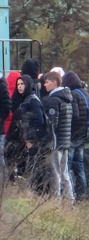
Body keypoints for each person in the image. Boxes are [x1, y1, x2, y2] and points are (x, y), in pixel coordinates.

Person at [42, 71, 74, 201]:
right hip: (65, 141)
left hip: (56, 142)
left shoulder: (54, 100)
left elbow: (52, 123)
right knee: (64, 173)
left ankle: (56, 200)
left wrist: (47, 140)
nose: (44, 85)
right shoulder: (67, 98)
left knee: (55, 173)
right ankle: (70, 199)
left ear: (54, 82)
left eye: (47, 82)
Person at [62, 71, 88, 201]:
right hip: (83, 136)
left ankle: (69, 195)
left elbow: (75, 115)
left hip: (74, 136)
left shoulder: (73, 95)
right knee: (80, 166)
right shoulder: (84, 93)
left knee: (67, 165)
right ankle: (82, 194)